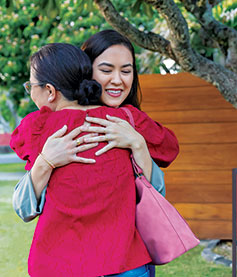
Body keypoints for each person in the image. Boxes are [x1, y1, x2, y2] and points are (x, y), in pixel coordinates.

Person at [10, 43, 167, 276]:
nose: (30, 92)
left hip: (60, 264)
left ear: (50, 91)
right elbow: (169, 148)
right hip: (125, 262)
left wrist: (45, 160)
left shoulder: (37, 126)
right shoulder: (125, 118)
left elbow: (23, 208)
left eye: (31, 86)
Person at [13, 29, 178, 221]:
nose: (117, 80)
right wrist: (46, 161)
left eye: (126, 71)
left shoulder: (132, 120)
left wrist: (138, 144)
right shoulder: (45, 127)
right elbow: (23, 209)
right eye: (106, 70)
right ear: (84, 72)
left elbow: (156, 197)